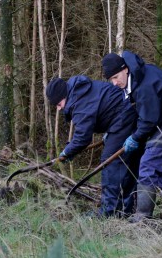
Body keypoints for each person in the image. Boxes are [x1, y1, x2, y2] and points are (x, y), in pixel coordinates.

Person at [101, 51, 162, 221]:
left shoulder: (144, 85)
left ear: (125, 69)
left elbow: (149, 119)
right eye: (111, 80)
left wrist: (135, 138)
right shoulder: (138, 77)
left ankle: (143, 216)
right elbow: (135, 112)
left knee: (147, 166)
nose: (114, 83)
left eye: (116, 77)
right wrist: (115, 130)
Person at [45, 75, 140, 218]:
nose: (59, 109)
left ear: (63, 96)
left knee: (110, 162)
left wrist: (67, 151)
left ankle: (109, 212)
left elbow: (83, 137)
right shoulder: (79, 91)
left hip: (124, 119)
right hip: (125, 117)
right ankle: (127, 209)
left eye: (58, 104)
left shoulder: (79, 102)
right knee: (125, 165)